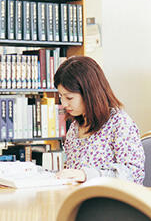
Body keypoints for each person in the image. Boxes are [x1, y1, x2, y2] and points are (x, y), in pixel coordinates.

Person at [54, 56, 145, 184]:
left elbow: (134, 174)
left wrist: (87, 175)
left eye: (69, 98)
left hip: (110, 201)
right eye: (60, 96)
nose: (63, 104)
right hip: (80, 198)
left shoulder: (119, 123)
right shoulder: (74, 128)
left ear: (89, 93)